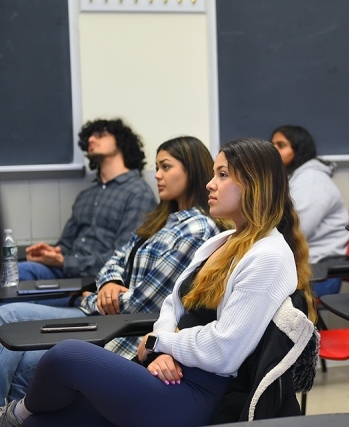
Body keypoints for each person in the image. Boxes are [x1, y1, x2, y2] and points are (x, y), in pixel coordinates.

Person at [0, 138, 317, 427]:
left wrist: (159, 343)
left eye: (223, 175)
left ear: (254, 184)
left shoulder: (269, 256)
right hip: (173, 372)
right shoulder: (224, 241)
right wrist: (160, 348)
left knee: (66, 356)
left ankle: (15, 412)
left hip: (199, 395)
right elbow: (173, 303)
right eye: (213, 174)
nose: (210, 184)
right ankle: (21, 418)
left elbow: (225, 350)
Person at [0, 136, 221, 402]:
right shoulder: (160, 220)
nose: (157, 176)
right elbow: (115, 259)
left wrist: (89, 298)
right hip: (102, 315)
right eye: (157, 167)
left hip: (121, 331)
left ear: (191, 170)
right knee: (6, 316)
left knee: (22, 358)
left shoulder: (196, 229)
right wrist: (108, 282)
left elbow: (143, 302)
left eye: (166, 167)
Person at [18, 118, 157, 283]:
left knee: (15, 292)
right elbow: (67, 244)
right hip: (66, 274)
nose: (91, 139)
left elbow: (126, 258)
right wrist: (53, 253)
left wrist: (65, 262)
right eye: (89, 137)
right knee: (15, 271)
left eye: (100, 135)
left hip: (102, 283)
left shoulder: (138, 193)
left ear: (121, 141)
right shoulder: (85, 196)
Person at [271, 125, 349, 297]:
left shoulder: (311, 181)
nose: (274, 150)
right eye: (273, 144)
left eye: (281, 145)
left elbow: (296, 229)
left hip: (319, 270)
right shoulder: (295, 176)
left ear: (298, 149)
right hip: (304, 263)